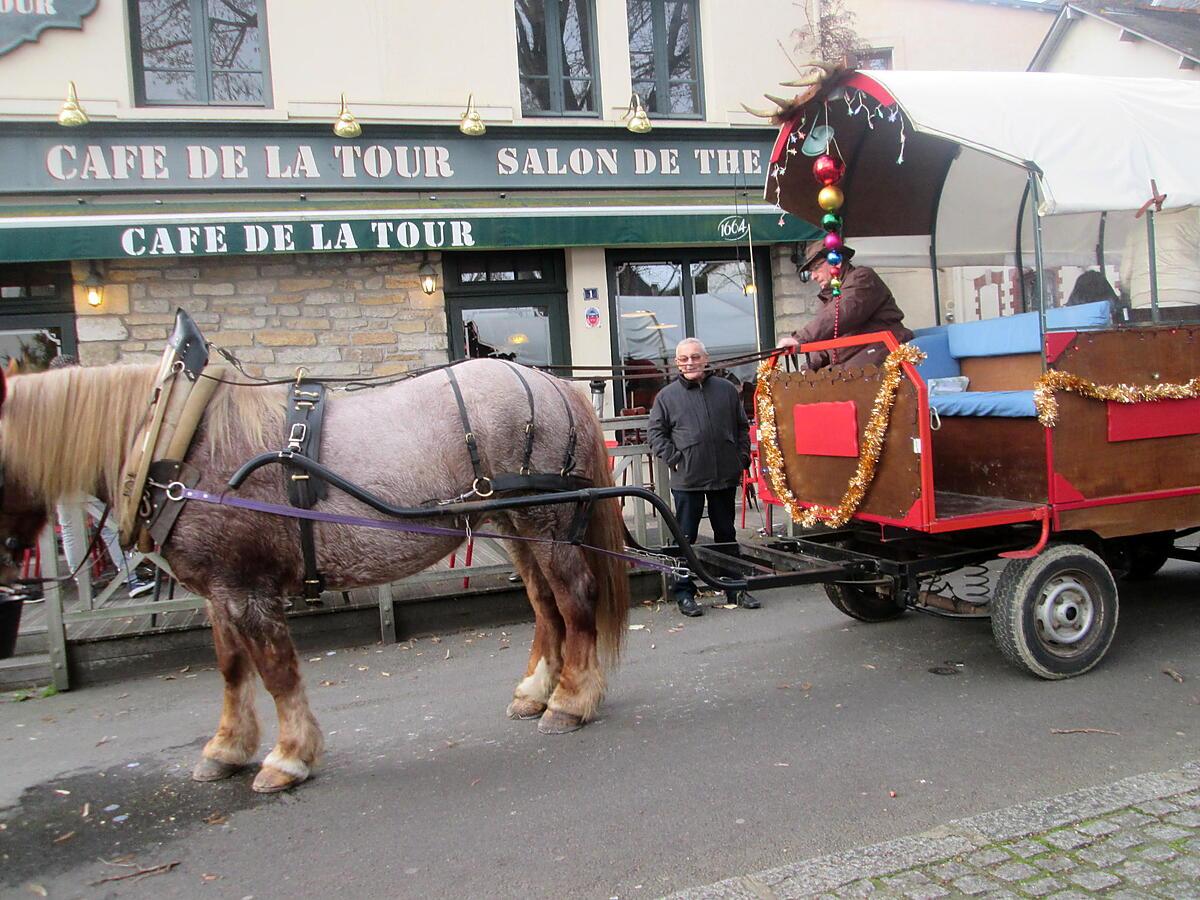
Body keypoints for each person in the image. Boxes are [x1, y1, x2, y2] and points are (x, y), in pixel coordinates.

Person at [648, 337, 757, 617]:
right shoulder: (667, 396)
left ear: (705, 359)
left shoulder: (726, 390)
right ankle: (684, 594)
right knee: (685, 537)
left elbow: (742, 427)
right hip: (688, 479)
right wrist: (675, 459)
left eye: (695, 357)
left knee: (726, 535)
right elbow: (656, 434)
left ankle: (734, 587)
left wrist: (741, 458)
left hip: (724, 474)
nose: (690, 363)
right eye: (684, 359)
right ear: (676, 363)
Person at [777, 241, 913, 369]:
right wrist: (806, 370)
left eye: (817, 267)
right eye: (810, 271)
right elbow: (826, 343)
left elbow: (841, 313)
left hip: (882, 356)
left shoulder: (863, 278)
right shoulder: (832, 296)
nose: (813, 276)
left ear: (836, 261)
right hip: (859, 362)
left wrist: (801, 338)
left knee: (835, 388)